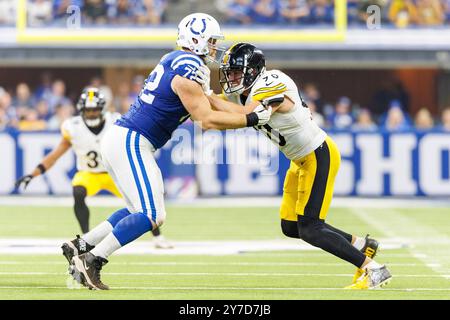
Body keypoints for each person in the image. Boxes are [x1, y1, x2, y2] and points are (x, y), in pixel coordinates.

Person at [64, 14, 272, 290]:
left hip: (124, 138)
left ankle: (82, 244)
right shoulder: (191, 67)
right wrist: (253, 120)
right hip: (132, 140)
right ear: (196, 40)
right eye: (210, 41)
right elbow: (206, 120)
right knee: (152, 215)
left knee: (136, 210)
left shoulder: (175, 59)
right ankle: (93, 259)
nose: (213, 47)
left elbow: (209, 101)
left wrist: (249, 111)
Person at [204, 43, 392, 289]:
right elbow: (216, 107)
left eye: (236, 72)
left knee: (311, 229)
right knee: (291, 226)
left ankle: (373, 269)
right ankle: (361, 245)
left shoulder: (272, 81)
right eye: (229, 73)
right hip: (299, 160)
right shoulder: (241, 92)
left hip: (317, 154)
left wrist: (207, 97)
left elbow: (243, 114)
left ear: (253, 71)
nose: (231, 78)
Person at [15, 87, 173, 249]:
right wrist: (32, 174)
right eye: (88, 110)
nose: (91, 113)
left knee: (142, 202)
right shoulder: (73, 126)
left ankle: (158, 237)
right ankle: (86, 238)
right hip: (89, 174)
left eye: (95, 109)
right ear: (82, 110)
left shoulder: (116, 121)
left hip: (115, 173)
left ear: (102, 109)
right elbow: (55, 155)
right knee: (78, 191)